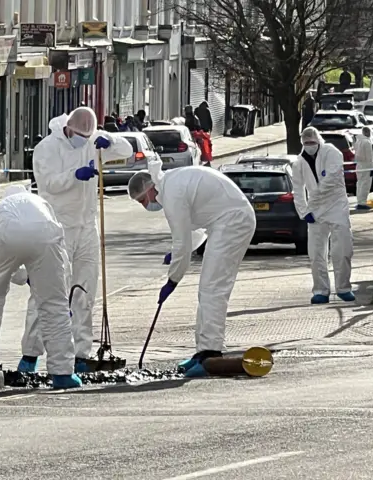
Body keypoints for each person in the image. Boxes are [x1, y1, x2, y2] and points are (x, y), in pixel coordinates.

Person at [127, 159, 256, 378]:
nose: (145, 205)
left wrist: (173, 279)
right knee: (206, 289)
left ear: (150, 189)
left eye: (142, 200)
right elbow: (191, 234)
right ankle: (203, 351)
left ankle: (211, 352)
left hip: (233, 222)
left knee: (212, 288)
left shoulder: (171, 193)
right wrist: (180, 255)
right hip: (224, 222)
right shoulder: (171, 183)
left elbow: (181, 242)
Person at [30, 107, 133, 373]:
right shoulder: (47, 147)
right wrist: (75, 175)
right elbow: (48, 183)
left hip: (87, 225)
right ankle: (31, 351)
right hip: (58, 226)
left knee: (85, 290)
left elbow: (127, 151)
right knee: (50, 291)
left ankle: (81, 352)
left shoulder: (91, 139)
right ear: (69, 128)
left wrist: (111, 141)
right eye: (80, 136)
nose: (83, 140)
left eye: (88, 137)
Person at [0, 185, 81, 390]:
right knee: (54, 305)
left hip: (9, 233)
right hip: (46, 237)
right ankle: (63, 372)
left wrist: (19, 276)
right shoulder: (41, 203)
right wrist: (53, 285)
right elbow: (59, 249)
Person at [291, 127, 355, 305]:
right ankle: (320, 290)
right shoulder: (299, 162)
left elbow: (332, 178)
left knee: (342, 249)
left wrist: (314, 198)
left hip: (336, 206)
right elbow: (297, 189)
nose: (309, 146)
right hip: (315, 211)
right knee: (316, 252)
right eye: (306, 143)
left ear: (318, 141)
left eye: (312, 142)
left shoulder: (331, 153)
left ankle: (343, 287)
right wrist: (304, 212)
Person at [354, 126, 373, 210]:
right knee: (365, 185)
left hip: (359, 166)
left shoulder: (358, 141)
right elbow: (369, 157)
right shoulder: (367, 142)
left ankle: (359, 201)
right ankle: (362, 202)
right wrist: (371, 168)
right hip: (366, 166)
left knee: (359, 184)